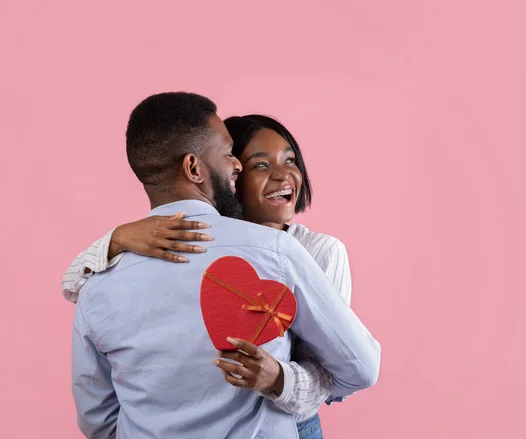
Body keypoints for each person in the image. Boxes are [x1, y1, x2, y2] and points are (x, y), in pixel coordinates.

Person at [70, 91, 380, 439]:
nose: (236, 165)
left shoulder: (96, 283)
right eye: (229, 155)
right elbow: (362, 366)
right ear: (193, 168)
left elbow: (96, 418)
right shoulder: (278, 252)